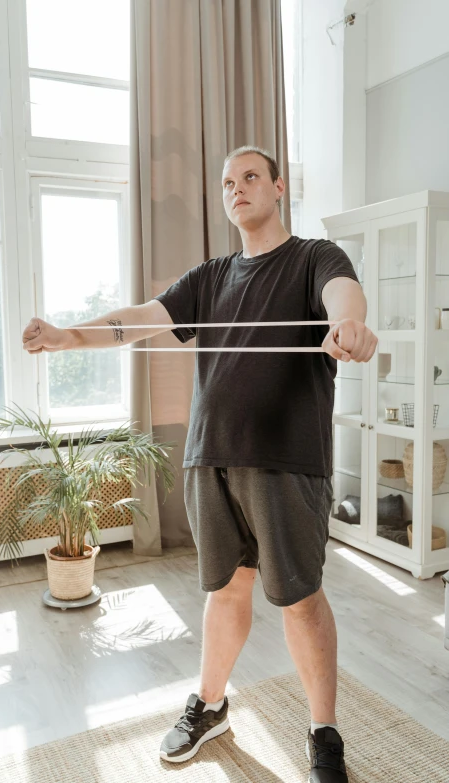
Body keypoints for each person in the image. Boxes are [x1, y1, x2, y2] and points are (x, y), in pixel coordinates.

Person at [22, 145, 377, 782]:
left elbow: (344, 298)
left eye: (249, 178)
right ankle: (211, 705)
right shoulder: (210, 277)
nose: (236, 189)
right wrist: (69, 335)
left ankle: (324, 733)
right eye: (226, 183)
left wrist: (351, 326)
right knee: (225, 590)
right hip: (209, 459)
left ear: (277, 187)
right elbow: (140, 320)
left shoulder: (315, 257)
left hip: (287, 462)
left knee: (299, 601)